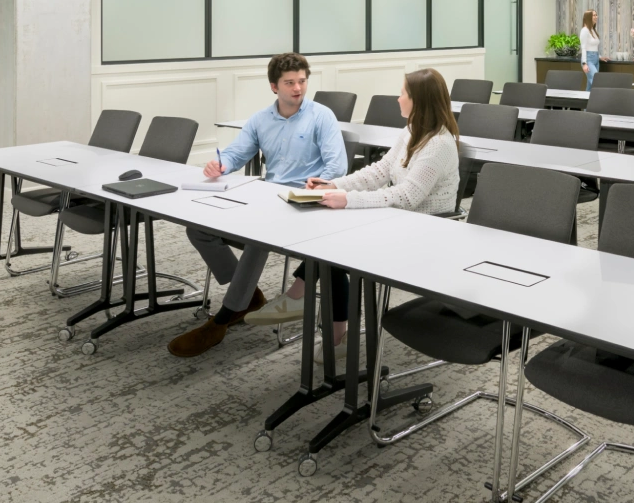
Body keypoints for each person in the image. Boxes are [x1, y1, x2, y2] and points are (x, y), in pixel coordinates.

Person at [167, 52, 349, 358]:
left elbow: (337, 166)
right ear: (273, 86)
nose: (298, 88)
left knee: (257, 236)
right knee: (199, 229)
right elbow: (236, 153)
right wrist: (220, 164)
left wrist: (318, 185)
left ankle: (225, 316)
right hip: (269, 197)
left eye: (302, 81)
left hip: (305, 203)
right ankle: (249, 295)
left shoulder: (322, 116)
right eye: (289, 83)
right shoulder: (261, 119)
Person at [295, 69, 462, 340]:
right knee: (327, 239)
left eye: (403, 93)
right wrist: (335, 185)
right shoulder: (412, 131)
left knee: (333, 245)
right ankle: (317, 314)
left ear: (419, 101)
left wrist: (348, 199)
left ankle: (319, 317)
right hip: (396, 220)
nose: (398, 98)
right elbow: (379, 171)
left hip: (424, 232)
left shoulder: (439, 145)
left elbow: (407, 197)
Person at [578, 10, 601, 90]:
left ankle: (587, 98)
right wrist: (584, 63)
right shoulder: (584, 30)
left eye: (596, 15)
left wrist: (599, 56)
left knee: (590, 86)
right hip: (588, 60)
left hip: (595, 59)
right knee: (597, 82)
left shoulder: (593, 30)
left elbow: (594, 47)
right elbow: (584, 47)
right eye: (594, 15)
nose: (596, 17)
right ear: (588, 17)